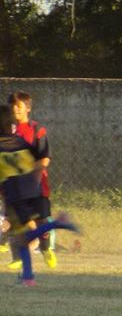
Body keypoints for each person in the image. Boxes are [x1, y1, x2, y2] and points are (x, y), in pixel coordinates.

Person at [0, 104, 80, 287]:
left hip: (15, 193)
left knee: (22, 236)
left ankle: (59, 223)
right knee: (23, 236)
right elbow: (32, 163)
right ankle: (28, 277)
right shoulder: (20, 143)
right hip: (31, 190)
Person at [7, 91, 55, 270]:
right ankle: (18, 257)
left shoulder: (37, 130)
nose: (14, 109)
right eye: (12, 105)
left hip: (36, 185)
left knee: (41, 219)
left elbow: (45, 158)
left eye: (18, 105)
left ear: (27, 108)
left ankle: (45, 247)